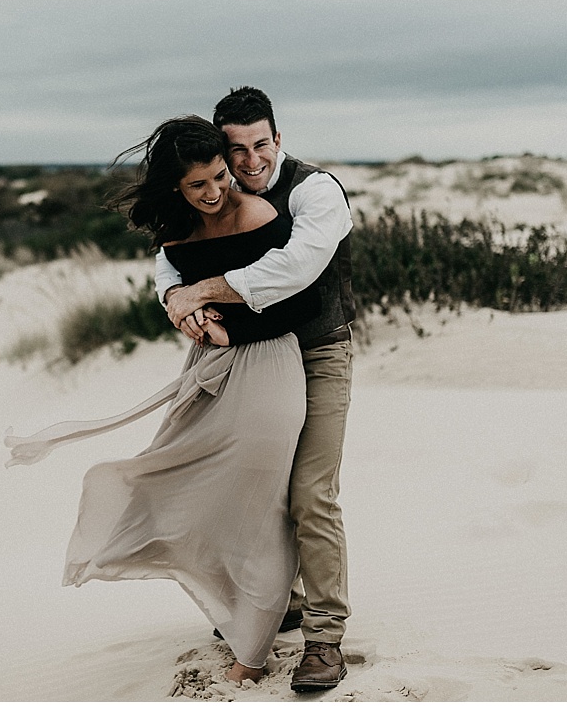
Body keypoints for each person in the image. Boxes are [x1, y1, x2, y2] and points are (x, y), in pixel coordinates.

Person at [6, 115, 320, 684]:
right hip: (206, 369)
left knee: (262, 507)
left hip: (270, 366)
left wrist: (228, 328)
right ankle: (237, 612)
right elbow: (171, 279)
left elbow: (299, 306)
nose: (215, 191)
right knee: (174, 477)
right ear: (175, 186)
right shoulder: (175, 228)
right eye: (198, 184)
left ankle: (251, 654)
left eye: (220, 176)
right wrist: (183, 304)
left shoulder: (260, 213)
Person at [157, 86, 359, 692]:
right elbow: (169, 260)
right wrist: (174, 296)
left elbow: (298, 265)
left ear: (278, 139)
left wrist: (204, 290)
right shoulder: (218, 193)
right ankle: (280, 603)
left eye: (260, 144)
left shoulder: (314, 190)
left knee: (310, 492)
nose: (249, 161)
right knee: (250, 487)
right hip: (245, 361)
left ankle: (324, 639)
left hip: (318, 352)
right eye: (235, 149)